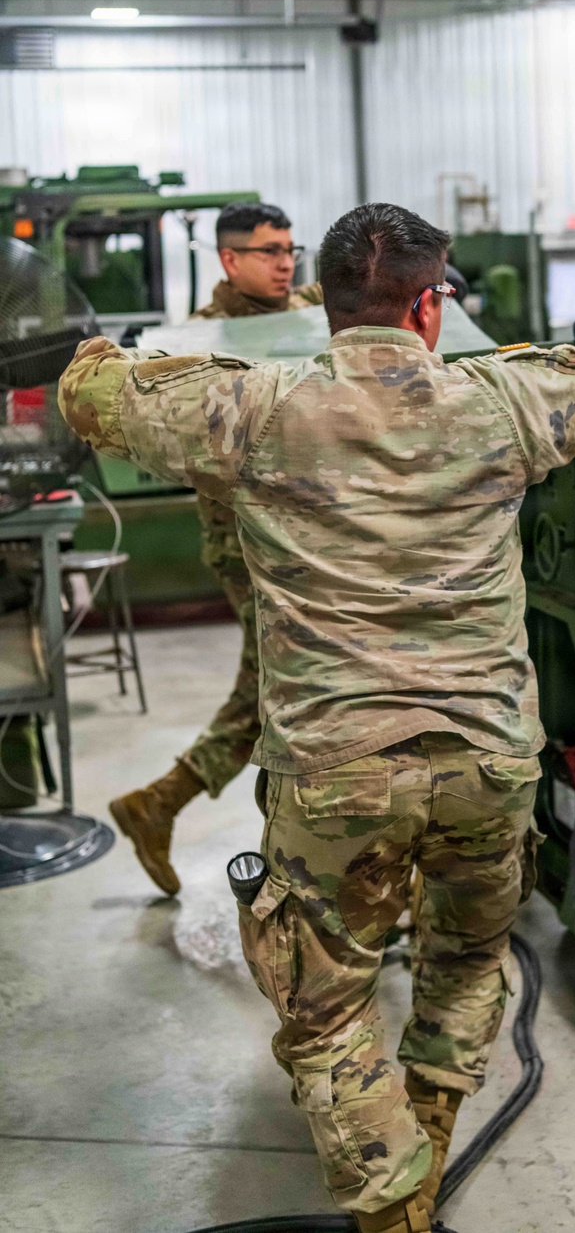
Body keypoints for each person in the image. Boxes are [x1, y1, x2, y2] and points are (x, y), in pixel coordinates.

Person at [59, 202, 575, 1233]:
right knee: (464, 966)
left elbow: (89, 393)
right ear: (428, 306)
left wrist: (114, 352)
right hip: (487, 762)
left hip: (334, 770)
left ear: (325, 302)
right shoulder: (505, 398)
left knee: (326, 1009)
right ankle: (422, 1155)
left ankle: (391, 1206)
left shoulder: (253, 407)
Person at [109, 201, 323, 897]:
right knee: (281, 687)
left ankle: (160, 803)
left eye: (290, 249)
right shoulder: (202, 340)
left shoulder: (309, 309)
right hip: (245, 541)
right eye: (269, 251)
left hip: (308, 534)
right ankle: (278, 848)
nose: (285, 263)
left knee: (278, 685)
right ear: (230, 259)